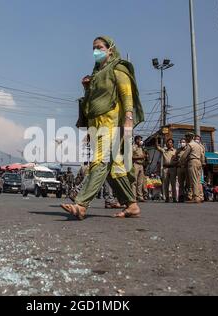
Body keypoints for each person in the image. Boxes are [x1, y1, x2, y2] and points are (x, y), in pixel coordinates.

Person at [60, 36, 144, 220]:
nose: (95, 51)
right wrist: (87, 88)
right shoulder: (97, 73)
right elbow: (92, 103)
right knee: (114, 169)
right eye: (93, 48)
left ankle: (81, 204)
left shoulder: (118, 68)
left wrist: (128, 118)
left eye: (99, 47)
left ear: (110, 49)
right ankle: (132, 205)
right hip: (96, 125)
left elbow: (125, 94)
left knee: (100, 161)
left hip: (111, 123)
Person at [180, 132, 205, 203]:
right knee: (198, 180)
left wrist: (181, 161)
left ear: (189, 137)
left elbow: (184, 155)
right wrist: (202, 162)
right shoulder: (199, 145)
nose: (185, 139)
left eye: (186, 137)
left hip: (193, 162)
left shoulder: (190, 145)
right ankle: (200, 196)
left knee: (193, 180)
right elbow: (202, 155)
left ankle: (195, 197)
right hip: (199, 162)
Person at [156, 138, 177, 203]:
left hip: (173, 168)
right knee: (166, 184)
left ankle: (174, 198)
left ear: (172, 144)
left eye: (170, 142)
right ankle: (167, 198)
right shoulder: (164, 150)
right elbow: (157, 147)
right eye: (168, 142)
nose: (169, 143)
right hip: (165, 168)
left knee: (173, 184)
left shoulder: (175, 151)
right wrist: (156, 139)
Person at [132, 136, 146, 202]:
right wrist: (139, 157)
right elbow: (131, 156)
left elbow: (144, 155)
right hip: (135, 164)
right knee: (134, 181)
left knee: (140, 182)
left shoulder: (141, 147)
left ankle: (140, 196)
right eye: (140, 140)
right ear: (136, 140)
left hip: (141, 165)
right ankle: (133, 196)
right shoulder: (133, 147)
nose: (141, 141)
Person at [174, 138, 188, 203]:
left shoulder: (188, 150)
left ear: (186, 143)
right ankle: (181, 196)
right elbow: (175, 158)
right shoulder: (178, 150)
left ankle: (189, 196)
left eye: (183, 142)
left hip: (186, 168)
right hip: (179, 168)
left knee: (188, 183)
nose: (182, 143)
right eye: (181, 142)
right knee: (180, 183)